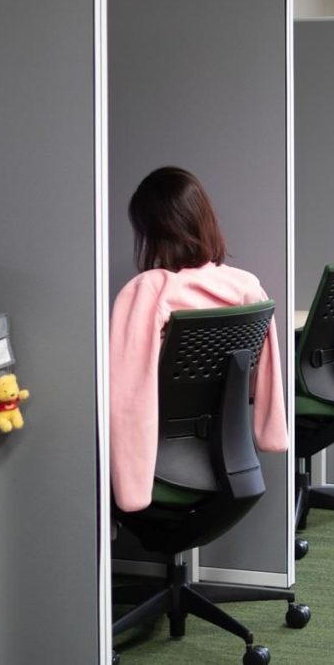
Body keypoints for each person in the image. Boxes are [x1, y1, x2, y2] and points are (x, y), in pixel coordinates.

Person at [109, 167, 289, 513]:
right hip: (230, 451)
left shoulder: (148, 290)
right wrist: (272, 432)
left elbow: (127, 396)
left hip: (162, 456)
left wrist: (131, 491)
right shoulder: (247, 286)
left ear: (151, 232)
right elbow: (267, 370)